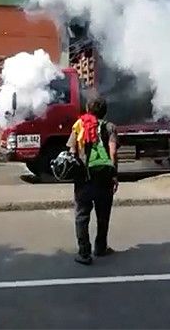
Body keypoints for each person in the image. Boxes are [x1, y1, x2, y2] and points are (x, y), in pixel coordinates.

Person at [66, 97, 119, 265]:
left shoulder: (79, 125)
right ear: (105, 111)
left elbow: (72, 150)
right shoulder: (110, 127)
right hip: (104, 177)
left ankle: (84, 253)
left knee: (82, 216)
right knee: (103, 215)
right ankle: (101, 247)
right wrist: (114, 174)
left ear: (88, 109)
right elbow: (113, 153)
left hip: (83, 178)